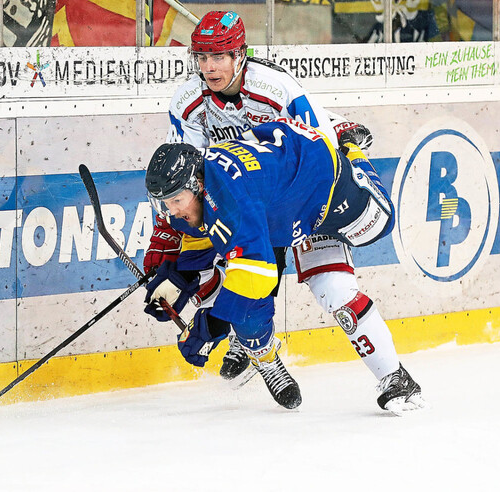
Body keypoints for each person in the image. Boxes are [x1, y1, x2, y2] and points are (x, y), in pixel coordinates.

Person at [143, 10, 374, 385]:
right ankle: (245, 336)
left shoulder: (276, 87)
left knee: (261, 255)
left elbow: (317, 149)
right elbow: (183, 180)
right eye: (202, 57)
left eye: (218, 56)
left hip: (280, 186)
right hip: (229, 189)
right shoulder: (188, 100)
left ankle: (243, 334)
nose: (209, 67)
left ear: (240, 55)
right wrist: (168, 238)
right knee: (203, 261)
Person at [144, 117, 427, 414]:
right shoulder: (201, 193)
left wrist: (211, 325)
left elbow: (258, 276)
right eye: (165, 202)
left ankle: (350, 147)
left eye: (176, 200)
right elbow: (207, 252)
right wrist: (175, 282)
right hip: (278, 206)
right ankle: (261, 353)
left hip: (327, 189)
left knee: (374, 233)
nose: (171, 211)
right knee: (241, 287)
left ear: (198, 184)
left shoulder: (233, 202)